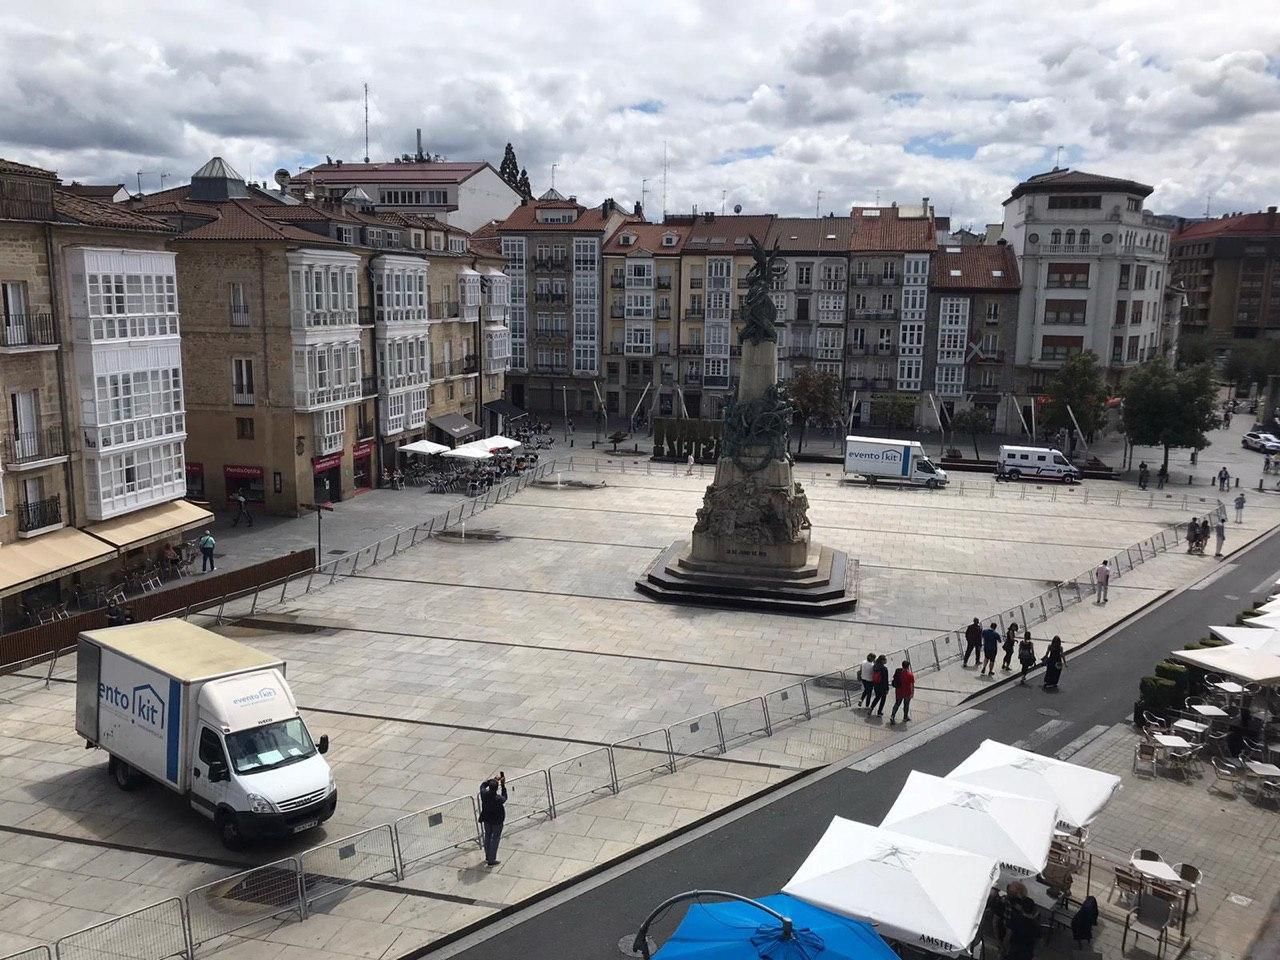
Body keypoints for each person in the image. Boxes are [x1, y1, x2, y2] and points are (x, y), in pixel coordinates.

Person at [1004, 882, 1040, 960]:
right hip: (1027, 954)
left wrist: (1003, 949)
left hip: (1014, 951)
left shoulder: (1016, 919)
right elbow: (1038, 941)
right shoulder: (1036, 924)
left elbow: (1008, 935)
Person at [478, 772, 507, 865]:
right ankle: (491, 859)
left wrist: (493, 780)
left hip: (487, 819)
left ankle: (487, 856)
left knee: (487, 836)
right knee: (495, 838)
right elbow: (505, 797)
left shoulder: (484, 794)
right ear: (496, 788)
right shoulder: (498, 799)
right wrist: (503, 785)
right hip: (497, 821)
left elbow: (482, 785)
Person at [889, 659, 915, 724]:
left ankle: (892, 716)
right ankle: (905, 717)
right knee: (906, 705)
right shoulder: (910, 675)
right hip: (907, 692)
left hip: (899, 691)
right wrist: (912, 693)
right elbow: (912, 685)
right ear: (908, 666)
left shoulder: (898, 671)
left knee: (897, 704)